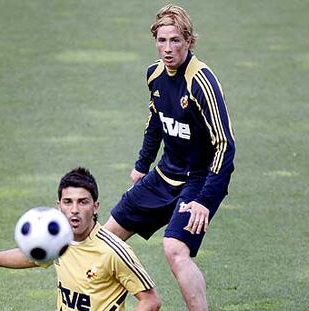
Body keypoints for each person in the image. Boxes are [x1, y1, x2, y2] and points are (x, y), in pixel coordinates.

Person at [104, 4, 235, 311]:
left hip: (199, 181)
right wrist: (141, 166)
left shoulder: (202, 82)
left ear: (189, 41)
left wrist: (205, 199)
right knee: (106, 241)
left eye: (175, 40)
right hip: (164, 175)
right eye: (161, 40)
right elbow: (156, 123)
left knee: (175, 249)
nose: (167, 48)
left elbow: (225, 145)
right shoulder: (154, 75)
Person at [0, 167, 161, 311]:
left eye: (83, 202)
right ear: (58, 206)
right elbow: (30, 257)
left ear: (95, 207)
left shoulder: (113, 250)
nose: (74, 210)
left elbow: (150, 301)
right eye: (68, 202)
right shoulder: (59, 240)